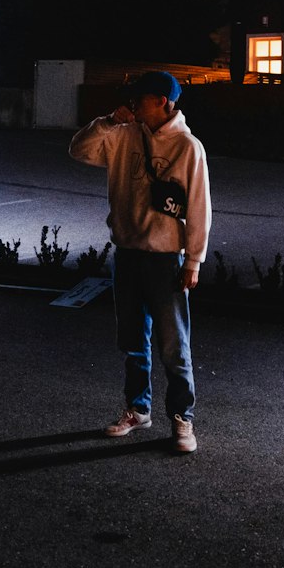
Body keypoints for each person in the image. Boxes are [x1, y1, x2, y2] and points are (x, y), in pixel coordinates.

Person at [68, 70, 212, 453]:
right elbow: (79, 150)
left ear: (163, 101)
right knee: (132, 340)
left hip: (166, 259)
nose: (133, 104)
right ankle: (137, 409)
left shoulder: (188, 147)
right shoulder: (122, 134)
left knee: (173, 346)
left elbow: (199, 208)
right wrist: (110, 121)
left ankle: (183, 418)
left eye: (141, 98)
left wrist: (193, 260)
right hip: (127, 254)